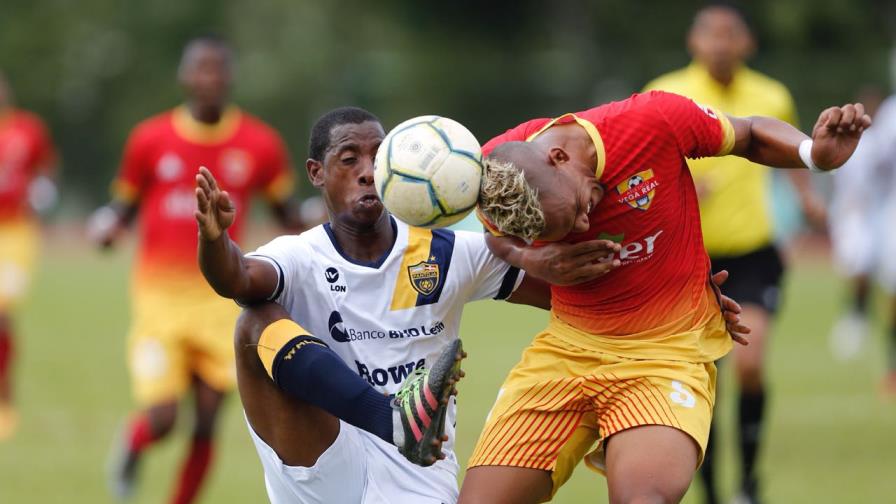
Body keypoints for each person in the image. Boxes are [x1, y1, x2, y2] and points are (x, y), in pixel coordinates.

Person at [194, 106, 751, 503]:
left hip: (418, 476)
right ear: (317, 174)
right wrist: (215, 240)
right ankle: (391, 418)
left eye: (377, 156)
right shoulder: (300, 255)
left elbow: (575, 290)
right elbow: (239, 277)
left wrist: (682, 294)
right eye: (348, 159)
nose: (367, 170)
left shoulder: (452, 251)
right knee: (254, 319)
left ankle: (403, 426)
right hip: (327, 458)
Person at [459, 91, 868, 504]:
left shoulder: (651, 121)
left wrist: (812, 154)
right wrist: (532, 258)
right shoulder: (495, 176)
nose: (585, 223)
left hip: (666, 353)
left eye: (578, 208)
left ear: (559, 157)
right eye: (566, 228)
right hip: (565, 352)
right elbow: (499, 241)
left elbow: (747, 133)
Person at [88, 36, 302, 503]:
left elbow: (289, 215)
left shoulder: (259, 143)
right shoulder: (149, 138)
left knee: (207, 419)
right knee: (164, 416)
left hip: (221, 298)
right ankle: (134, 443)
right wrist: (105, 227)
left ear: (229, 78)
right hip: (159, 300)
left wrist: (329, 216)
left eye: (217, 70)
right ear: (184, 77)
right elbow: (121, 208)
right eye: (199, 70)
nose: (208, 79)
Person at [641, 4, 827, 502]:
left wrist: (807, 197)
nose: (721, 43)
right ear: (693, 42)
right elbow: (638, 168)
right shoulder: (665, 92)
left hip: (752, 252)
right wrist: (675, 185)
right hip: (686, 259)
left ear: (748, 43)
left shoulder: (772, 95)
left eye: (731, 34)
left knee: (749, 364)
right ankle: (710, 490)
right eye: (711, 34)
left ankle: (747, 481)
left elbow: (784, 152)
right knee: (702, 381)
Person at [0, 71, 58, 441]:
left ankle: (5, 402)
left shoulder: (28, 129)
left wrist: (42, 192)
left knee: (2, 313)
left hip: (16, 234)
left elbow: (46, 169)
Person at [829, 88, 896, 394]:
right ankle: (858, 320)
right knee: (868, 271)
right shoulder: (891, 116)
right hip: (872, 211)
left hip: (880, 210)